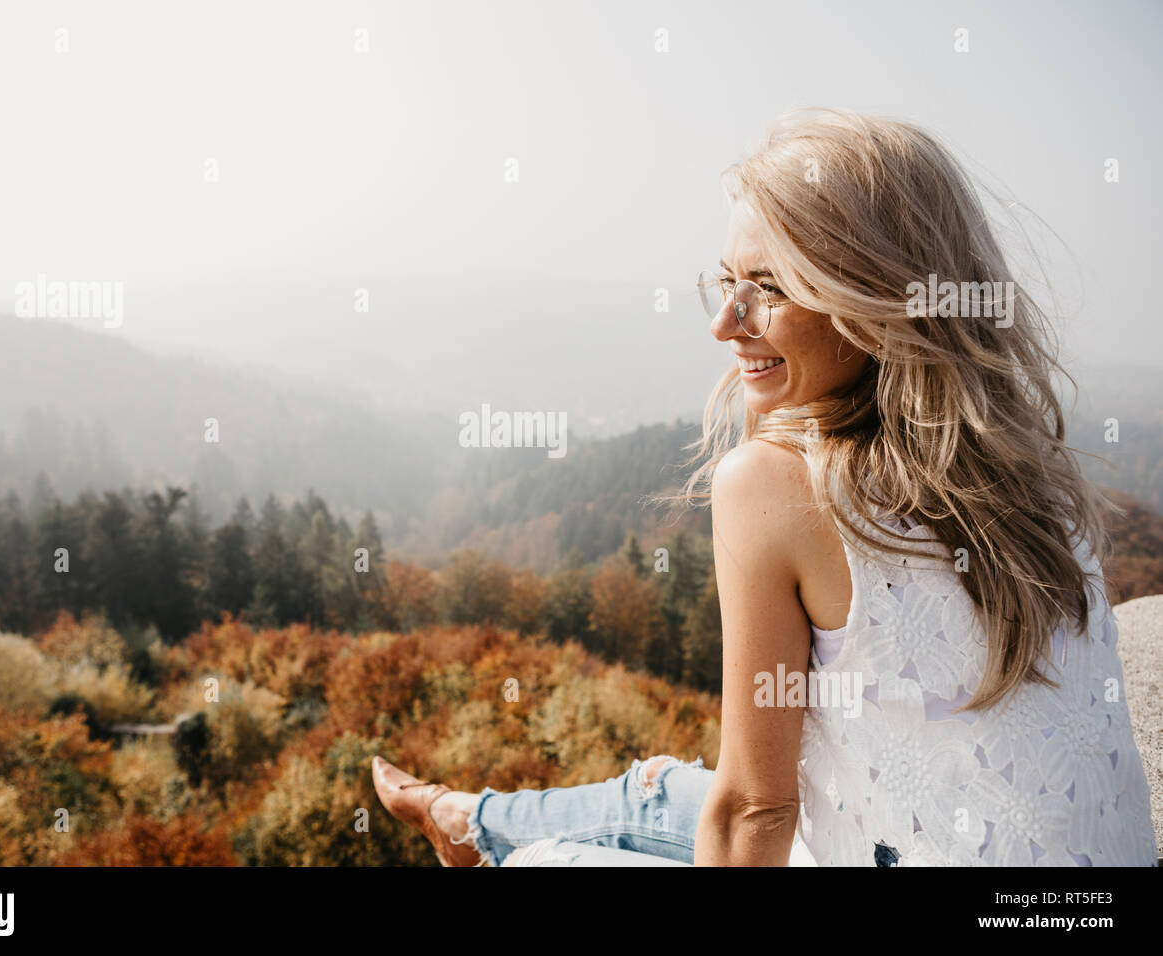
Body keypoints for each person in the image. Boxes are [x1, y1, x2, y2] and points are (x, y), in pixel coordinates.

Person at [372, 109, 1158, 867]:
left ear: (876, 299)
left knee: (557, 860)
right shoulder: (1034, 466)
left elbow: (757, 808)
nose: (725, 322)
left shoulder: (776, 484)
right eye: (724, 281)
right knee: (665, 789)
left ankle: (487, 840)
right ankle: (465, 820)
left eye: (769, 287)